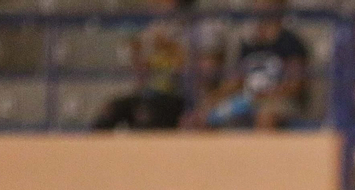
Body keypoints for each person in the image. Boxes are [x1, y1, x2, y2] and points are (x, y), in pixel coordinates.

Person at [204, 0, 308, 130]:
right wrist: (213, 99)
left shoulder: (291, 43)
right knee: (202, 116)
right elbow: (234, 82)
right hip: (246, 99)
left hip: (278, 101)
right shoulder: (248, 44)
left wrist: (266, 95)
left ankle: (262, 150)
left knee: (265, 116)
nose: (262, 7)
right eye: (259, 3)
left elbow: (295, 85)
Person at [94, 0, 190, 130]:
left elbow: (189, 67)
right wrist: (137, 53)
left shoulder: (188, 28)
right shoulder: (153, 29)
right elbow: (142, 74)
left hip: (171, 96)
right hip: (147, 94)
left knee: (144, 116)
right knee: (109, 111)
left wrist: (169, 45)